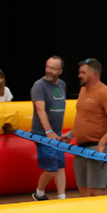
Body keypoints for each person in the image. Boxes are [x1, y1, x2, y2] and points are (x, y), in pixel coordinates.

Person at [60, 58, 107, 197]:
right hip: (80, 147)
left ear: (93, 74)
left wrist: (103, 142)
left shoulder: (104, 93)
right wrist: (70, 135)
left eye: (83, 72)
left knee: (95, 192)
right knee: (83, 190)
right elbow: (85, 118)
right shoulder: (83, 90)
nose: (79, 75)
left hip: (96, 148)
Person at [30, 56, 67, 201]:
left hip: (56, 134)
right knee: (52, 169)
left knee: (61, 166)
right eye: (48, 67)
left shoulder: (62, 85)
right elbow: (40, 110)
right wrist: (48, 132)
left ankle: (61, 197)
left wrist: (56, 132)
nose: (49, 71)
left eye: (53, 68)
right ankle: (38, 193)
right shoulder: (39, 86)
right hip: (43, 135)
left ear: (60, 71)